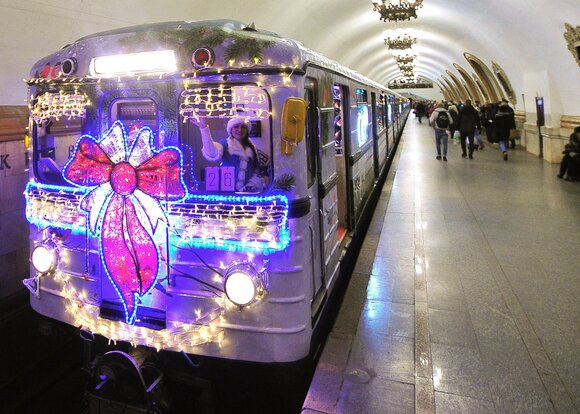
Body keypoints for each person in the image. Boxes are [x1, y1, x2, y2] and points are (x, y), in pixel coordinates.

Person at [193, 116, 267, 192]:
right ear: (231, 130)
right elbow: (211, 153)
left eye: (243, 127)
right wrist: (204, 129)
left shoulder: (252, 148)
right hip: (227, 192)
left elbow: (256, 171)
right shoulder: (225, 144)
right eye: (236, 127)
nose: (240, 130)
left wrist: (250, 186)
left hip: (247, 193)